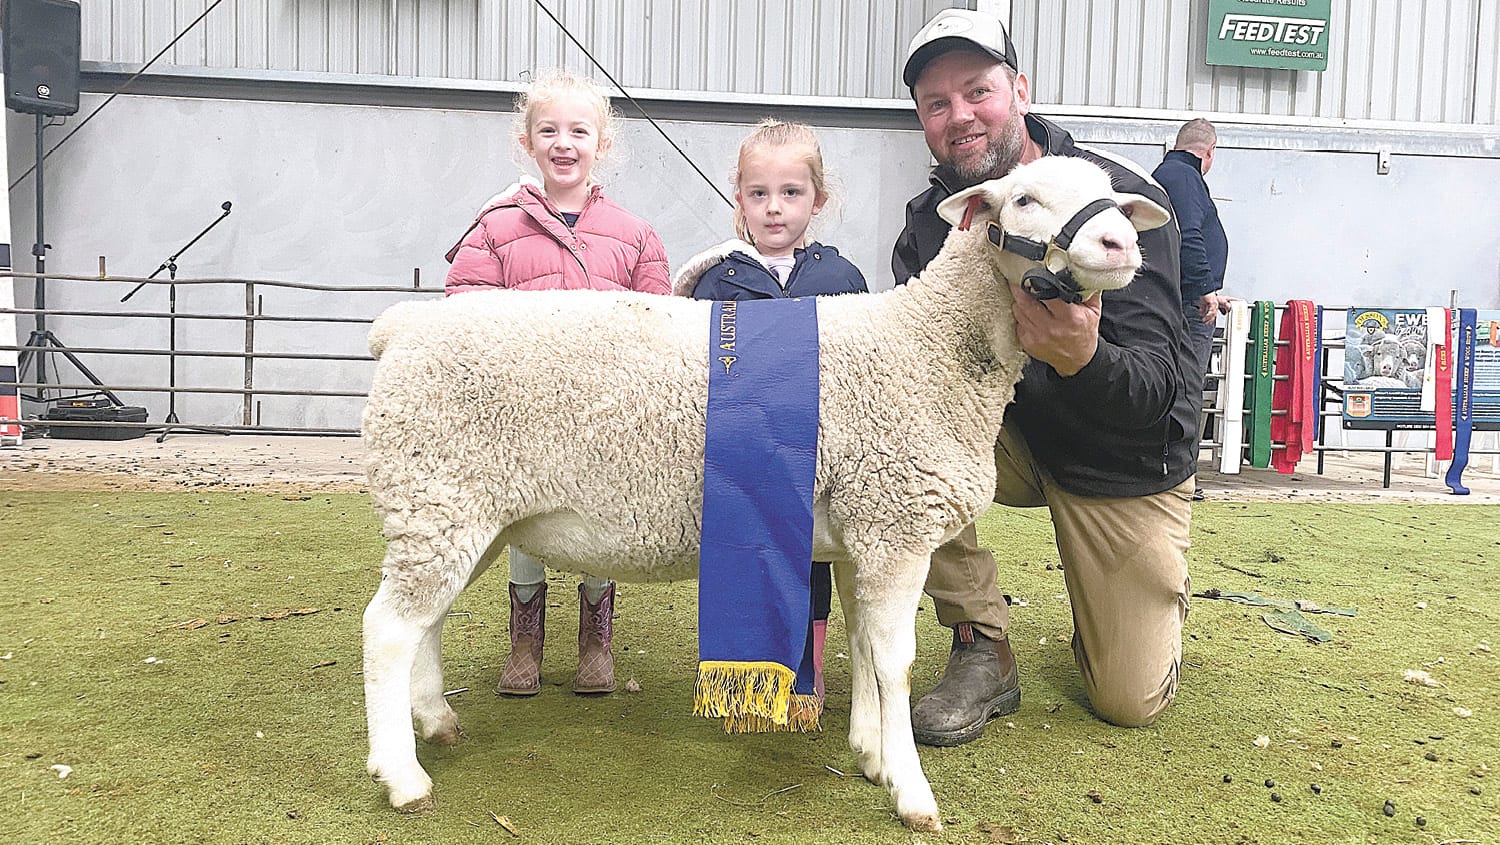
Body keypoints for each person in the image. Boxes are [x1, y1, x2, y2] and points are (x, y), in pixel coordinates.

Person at [893, 9, 1198, 745]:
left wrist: (1082, 357)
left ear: (1019, 90)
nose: (959, 115)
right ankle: (980, 641)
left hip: (1120, 457)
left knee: (1128, 698)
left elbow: (1157, 392)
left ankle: (1143, 607)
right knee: (898, 423)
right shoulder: (937, 222)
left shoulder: (1114, 201)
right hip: (1011, 438)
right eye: (937, 103)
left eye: (977, 91)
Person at [443, 69, 670, 697]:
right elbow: (465, 307)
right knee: (525, 522)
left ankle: (596, 637)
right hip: (526, 414)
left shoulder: (634, 235)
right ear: (527, 141)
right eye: (549, 130)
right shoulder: (494, 228)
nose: (563, 143)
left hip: (607, 415)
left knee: (601, 520)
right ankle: (526, 639)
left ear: (603, 143)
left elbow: (659, 325)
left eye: (579, 130)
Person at [674, 118, 867, 701]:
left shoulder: (842, 279)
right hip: (738, 453)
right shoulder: (715, 281)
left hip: (814, 455)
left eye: (791, 193)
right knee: (739, 553)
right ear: (740, 198)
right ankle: (744, 680)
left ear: (818, 199)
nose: (774, 209)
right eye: (759, 194)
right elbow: (686, 366)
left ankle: (806, 677)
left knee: (813, 560)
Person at [1153, 118, 1233, 467]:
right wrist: (1204, 289)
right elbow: (1189, 236)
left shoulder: (1170, 175)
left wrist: (1214, 291)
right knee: (1186, 386)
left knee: (1180, 383)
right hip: (1188, 305)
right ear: (1209, 152)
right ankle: (1179, 469)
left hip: (1184, 297)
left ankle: (1171, 464)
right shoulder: (1185, 178)